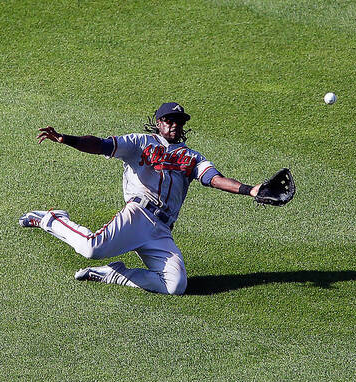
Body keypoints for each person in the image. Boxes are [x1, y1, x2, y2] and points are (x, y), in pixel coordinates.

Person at [19, 102, 260, 295]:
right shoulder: (139, 142)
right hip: (138, 215)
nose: (174, 124)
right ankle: (51, 219)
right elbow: (101, 145)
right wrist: (67, 139)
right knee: (91, 248)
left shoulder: (192, 157)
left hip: (162, 229)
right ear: (159, 123)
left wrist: (250, 190)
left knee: (175, 286)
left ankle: (112, 274)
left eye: (179, 121)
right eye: (169, 120)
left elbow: (214, 179)